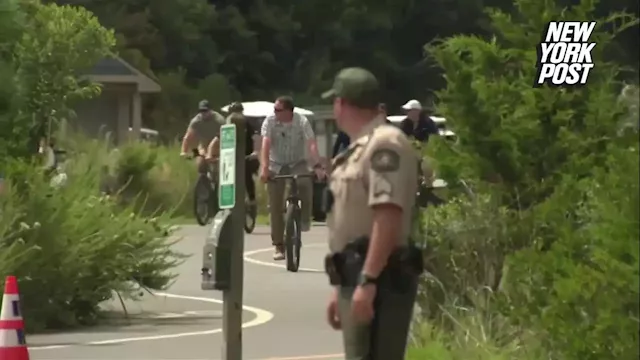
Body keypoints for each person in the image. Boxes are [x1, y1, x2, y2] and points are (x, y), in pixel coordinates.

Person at [321, 67, 420, 359]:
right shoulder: (358, 149)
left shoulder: (384, 144)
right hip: (358, 275)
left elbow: (388, 215)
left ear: (342, 103)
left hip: (381, 279)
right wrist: (342, 287)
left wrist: (369, 280)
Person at [259, 96, 324, 260]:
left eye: (278, 110)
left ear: (289, 111)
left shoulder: (302, 121)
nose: (274, 112)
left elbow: (311, 143)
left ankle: (303, 220)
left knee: (305, 183)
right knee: (275, 204)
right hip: (275, 164)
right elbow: (265, 144)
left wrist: (317, 165)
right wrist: (265, 168)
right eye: (274, 109)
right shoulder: (270, 122)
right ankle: (279, 245)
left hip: (297, 162)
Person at [221, 102, 259, 206]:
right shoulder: (227, 124)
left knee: (246, 174)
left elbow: (255, 138)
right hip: (232, 156)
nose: (235, 115)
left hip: (247, 155)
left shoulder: (246, 123)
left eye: (238, 112)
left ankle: (252, 198)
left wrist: (255, 151)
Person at [179, 100, 226, 172]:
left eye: (205, 111)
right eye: (201, 111)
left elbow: (224, 135)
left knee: (219, 170)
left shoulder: (219, 120)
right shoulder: (196, 121)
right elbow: (188, 137)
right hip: (203, 148)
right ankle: (203, 180)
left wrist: (213, 152)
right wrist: (183, 151)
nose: (203, 113)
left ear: (210, 110)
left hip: (218, 148)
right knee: (200, 164)